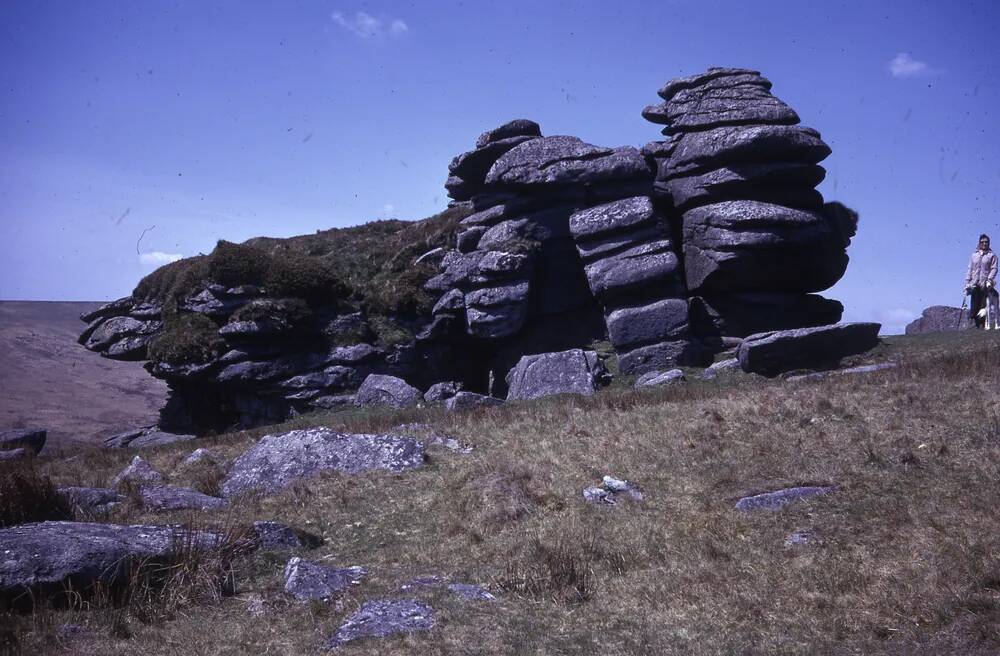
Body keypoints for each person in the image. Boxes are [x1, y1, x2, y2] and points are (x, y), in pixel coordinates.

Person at [965, 234, 998, 329]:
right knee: (974, 305)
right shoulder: (974, 255)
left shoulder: (992, 256)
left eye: (986, 242)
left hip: (985, 284)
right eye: (982, 242)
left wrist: (989, 279)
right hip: (974, 284)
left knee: (983, 306)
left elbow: (994, 269)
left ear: (989, 243)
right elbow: (970, 269)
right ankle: (976, 325)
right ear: (979, 243)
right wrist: (967, 282)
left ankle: (983, 325)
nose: (984, 243)